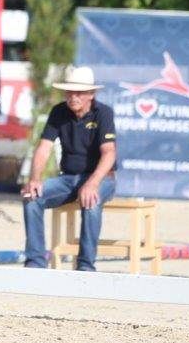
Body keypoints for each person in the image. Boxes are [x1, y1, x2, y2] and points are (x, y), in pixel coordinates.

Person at [21, 66, 118, 270]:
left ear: (91, 94)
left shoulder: (103, 113)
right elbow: (43, 148)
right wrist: (34, 179)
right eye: (69, 92)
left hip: (101, 178)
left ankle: (85, 267)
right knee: (31, 197)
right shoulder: (58, 111)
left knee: (91, 200)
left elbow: (109, 153)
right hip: (68, 178)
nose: (73, 97)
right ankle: (35, 262)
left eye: (79, 92)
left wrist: (92, 183)